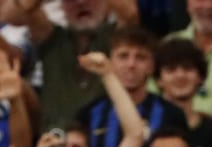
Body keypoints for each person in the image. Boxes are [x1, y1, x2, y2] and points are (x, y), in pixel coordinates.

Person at [75, 26, 190, 147]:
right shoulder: (89, 113)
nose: (131, 64)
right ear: (110, 62)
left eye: (140, 57)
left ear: (151, 66)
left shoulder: (170, 115)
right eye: (123, 56)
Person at [8, 0, 126, 128]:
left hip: (107, 138)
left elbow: (130, 13)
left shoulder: (119, 38)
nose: (81, 2)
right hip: (53, 137)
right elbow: (15, 12)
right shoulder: (52, 38)